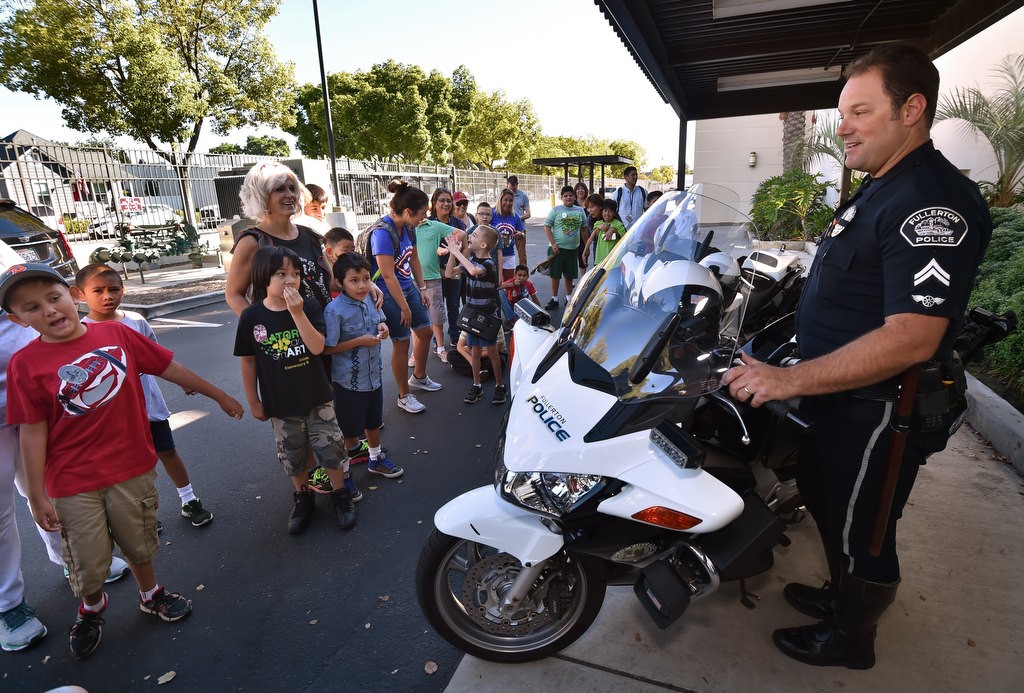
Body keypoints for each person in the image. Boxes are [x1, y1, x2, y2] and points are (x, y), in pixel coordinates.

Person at [721, 44, 992, 670]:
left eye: (860, 111)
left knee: (864, 527)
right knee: (827, 501)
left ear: (912, 110)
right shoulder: (883, 187)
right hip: (837, 400)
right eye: (843, 113)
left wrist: (790, 379)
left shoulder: (929, 204)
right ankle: (840, 597)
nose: (843, 126)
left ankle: (851, 641)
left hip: (878, 412)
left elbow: (912, 336)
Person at [1, 263, 244, 660]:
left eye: (52, 297)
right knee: (88, 557)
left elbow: (169, 367)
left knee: (138, 541)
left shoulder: (117, 334)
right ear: (16, 319)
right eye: (31, 307)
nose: (47, 311)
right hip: (71, 481)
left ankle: (150, 594)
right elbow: (32, 431)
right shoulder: (24, 365)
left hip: (131, 468)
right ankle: (92, 608)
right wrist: (35, 495)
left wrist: (219, 394)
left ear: (70, 294)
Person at [75, 264, 213, 528]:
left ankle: (189, 499)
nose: (108, 296)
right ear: (81, 294)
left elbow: (157, 360)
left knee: (167, 451)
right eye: (98, 291)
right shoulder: (82, 330)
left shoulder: (136, 321)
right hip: (114, 416)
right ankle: (145, 513)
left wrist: (182, 383)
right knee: (131, 466)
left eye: (114, 289)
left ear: (123, 290)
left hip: (149, 407)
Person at [233, 247, 357, 534]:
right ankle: (304, 497)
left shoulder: (309, 307)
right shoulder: (252, 317)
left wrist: (297, 313)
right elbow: (248, 361)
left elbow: (316, 347)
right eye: (281, 274)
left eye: (296, 274)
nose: (291, 281)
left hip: (316, 396)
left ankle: (340, 494)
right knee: (293, 453)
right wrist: (253, 400)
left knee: (331, 448)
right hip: (281, 402)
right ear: (264, 278)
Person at [324, 252, 404, 482]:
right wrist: (359, 341)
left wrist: (383, 329)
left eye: (366, 278)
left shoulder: (370, 298)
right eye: (354, 280)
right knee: (348, 430)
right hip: (348, 381)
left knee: (373, 421)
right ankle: (345, 474)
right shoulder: (334, 310)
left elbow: (379, 321)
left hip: (373, 377)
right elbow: (327, 349)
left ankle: (375, 459)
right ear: (340, 282)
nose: (361, 285)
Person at [366, 178, 443, 414]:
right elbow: (387, 276)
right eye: (422, 213)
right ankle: (403, 395)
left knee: (425, 331)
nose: (424, 218)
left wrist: (421, 289)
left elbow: (414, 259)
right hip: (387, 294)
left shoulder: (409, 227)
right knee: (401, 343)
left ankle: (419, 377)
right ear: (408, 211)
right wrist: (405, 307)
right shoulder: (382, 233)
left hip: (407, 287)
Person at [225, 162, 333, 316]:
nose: (290, 195)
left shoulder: (311, 236)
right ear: (261, 195)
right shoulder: (252, 242)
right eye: (280, 189)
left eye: (293, 188)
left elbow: (332, 283)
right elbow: (233, 294)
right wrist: (261, 326)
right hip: (284, 338)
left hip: (325, 332)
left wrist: (368, 284)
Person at [1, 315, 47, 653]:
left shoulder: (8, 267)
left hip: (37, 414)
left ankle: (74, 562)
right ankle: (8, 605)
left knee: (50, 491)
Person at [445, 225, 506, 405]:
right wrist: (451, 253)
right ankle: (477, 385)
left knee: (493, 353)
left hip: (487, 317)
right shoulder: (470, 260)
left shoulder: (488, 264)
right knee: (475, 352)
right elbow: (449, 274)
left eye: (475, 235)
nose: (470, 236)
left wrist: (457, 252)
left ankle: (500, 386)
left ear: (484, 245)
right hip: (472, 315)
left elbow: (473, 271)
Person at [416, 215, 459, 364]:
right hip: (412, 279)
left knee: (436, 316)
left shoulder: (433, 226)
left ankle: (440, 348)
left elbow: (460, 234)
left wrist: (448, 249)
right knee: (416, 318)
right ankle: (415, 353)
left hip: (432, 278)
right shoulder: (407, 227)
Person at [429, 188, 466, 355]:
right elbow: (424, 250)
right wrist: (440, 269)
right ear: (434, 204)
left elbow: (467, 248)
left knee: (453, 305)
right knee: (435, 308)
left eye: (448, 201)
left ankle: (454, 335)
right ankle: (437, 340)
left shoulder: (458, 224)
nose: (446, 204)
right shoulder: (427, 223)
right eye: (442, 200)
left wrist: (459, 268)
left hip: (454, 272)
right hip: (434, 273)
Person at [542, 186, 587, 310]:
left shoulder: (580, 211)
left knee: (569, 275)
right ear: (561, 197)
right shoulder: (555, 210)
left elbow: (584, 229)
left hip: (573, 250)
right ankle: (554, 298)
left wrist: (586, 246)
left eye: (571, 195)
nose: (568, 197)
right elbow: (547, 227)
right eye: (565, 195)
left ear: (574, 197)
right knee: (555, 275)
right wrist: (553, 244)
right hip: (557, 250)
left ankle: (568, 298)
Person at [490, 189, 526, 282]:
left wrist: (520, 235)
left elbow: (522, 232)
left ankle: (507, 297)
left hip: (509, 254)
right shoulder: (492, 213)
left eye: (510, 201)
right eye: (505, 200)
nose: (508, 203)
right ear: (500, 200)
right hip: (493, 254)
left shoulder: (515, 216)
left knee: (508, 284)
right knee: (495, 282)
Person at [592, 199, 627, 265]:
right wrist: (585, 250)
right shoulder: (598, 223)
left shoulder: (619, 225)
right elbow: (592, 238)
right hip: (600, 260)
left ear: (614, 213)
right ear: (601, 212)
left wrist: (613, 230)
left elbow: (624, 239)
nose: (607, 214)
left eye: (610, 211)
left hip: (614, 260)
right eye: (605, 211)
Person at [507, 175, 531, 265]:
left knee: (522, 254)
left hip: (519, 228)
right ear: (508, 184)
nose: (513, 187)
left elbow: (528, 214)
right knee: (504, 253)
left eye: (515, 185)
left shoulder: (523, 196)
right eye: (511, 185)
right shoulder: (503, 195)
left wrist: (518, 218)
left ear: (517, 184)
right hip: (506, 227)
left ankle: (523, 273)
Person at [573, 182, 592, 272]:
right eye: (578, 189)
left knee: (583, 256)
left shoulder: (589, 203)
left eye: (582, 189)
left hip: (585, 234)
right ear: (575, 191)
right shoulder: (572, 203)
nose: (580, 191)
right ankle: (571, 279)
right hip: (573, 234)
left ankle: (583, 278)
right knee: (572, 257)